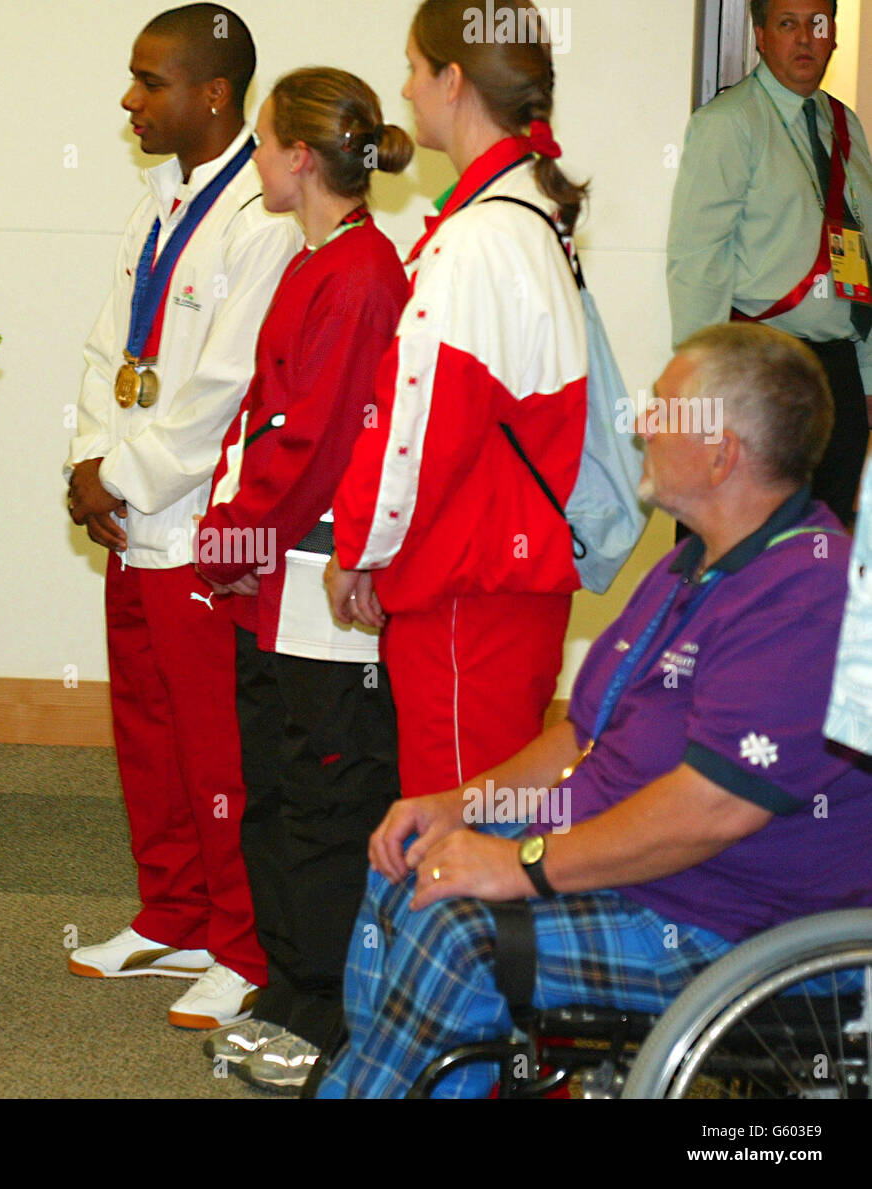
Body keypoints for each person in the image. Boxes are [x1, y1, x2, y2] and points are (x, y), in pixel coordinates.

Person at [318, 323, 872, 1098]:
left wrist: (519, 865)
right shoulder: (693, 564)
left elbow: (709, 812)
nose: (642, 423)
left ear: (722, 453)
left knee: (457, 931)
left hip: (721, 914)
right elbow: (582, 730)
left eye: (665, 409)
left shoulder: (805, 595)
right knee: (407, 859)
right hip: (626, 862)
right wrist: (458, 804)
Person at [64, 4, 301, 1032]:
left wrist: (118, 476)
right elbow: (101, 350)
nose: (129, 99)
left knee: (218, 749)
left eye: (148, 81)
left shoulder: (268, 216)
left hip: (198, 523)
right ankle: (173, 909)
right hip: (128, 514)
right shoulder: (153, 202)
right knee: (146, 728)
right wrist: (83, 458)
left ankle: (239, 943)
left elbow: (223, 389)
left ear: (213, 92)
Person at [192, 68, 411, 1092]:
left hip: (319, 580)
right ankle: (286, 978)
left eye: (264, 140)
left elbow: (311, 443)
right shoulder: (312, 260)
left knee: (329, 794)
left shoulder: (360, 271)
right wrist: (232, 536)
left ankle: (328, 1003)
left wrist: (230, 540)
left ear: (295, 157)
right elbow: (264, 423)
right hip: (274, 575)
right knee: (276, 789)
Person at [327, 0, 589, 804]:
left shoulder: (477, 238)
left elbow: (417, 427)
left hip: (467, 598)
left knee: (456, 836)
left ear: (452, 78)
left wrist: (358, 548)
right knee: (492, 822)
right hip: (506, 586)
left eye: (413, 68)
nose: (404, 90)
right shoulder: (527, 213)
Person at [668, 0, 872, 527]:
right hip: (759, 372)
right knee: (737, 550)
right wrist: (702, 395)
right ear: (759, 35)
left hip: (838, 374)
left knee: (819, 557)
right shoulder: (729, 124)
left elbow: (862, 266)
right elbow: (698, 265)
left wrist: (868, 381)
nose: (805, 39)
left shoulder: (845, 126)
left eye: (818, 24)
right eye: (787, 24)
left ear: (834, 36)